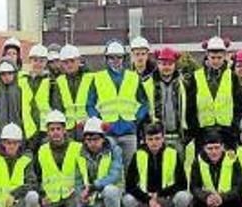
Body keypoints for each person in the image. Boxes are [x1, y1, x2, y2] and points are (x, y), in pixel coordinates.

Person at [88, 40, 149, 168]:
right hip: (108, 132)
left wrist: (136, 119)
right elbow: (90, 104)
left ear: (124, 58)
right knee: (108, 168)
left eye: (119, 57)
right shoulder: (98, 78)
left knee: (131, 169)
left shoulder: (134, 77)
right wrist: (99, 122)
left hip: (129, 131)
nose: (115, 60)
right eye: (112, 57)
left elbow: (144, 103)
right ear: (106, 59)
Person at [185, 36, 242, 149]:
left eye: (219, 57)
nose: (216, 61)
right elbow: (190, 106)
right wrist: (194, 129)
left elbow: (239, 105)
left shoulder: (232, 76)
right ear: (207, 56)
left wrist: (235, 127)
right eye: (213, 57)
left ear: (225, 56)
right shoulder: (196, 76)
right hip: (202, 131)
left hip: (227, 131)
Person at [123, 123, 190, 207]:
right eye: (150, 139)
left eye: (157, 138)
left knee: (183, 196)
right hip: (144, 198)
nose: (154, 142)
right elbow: (129, 185)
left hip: (166, 196)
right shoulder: (138, 155)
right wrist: (148, 199)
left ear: (163, 139)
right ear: (145, 140)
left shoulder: (172, 154)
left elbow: (182, 183)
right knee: (128, 199)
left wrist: (159, 195)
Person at [142, 48, 187, 154]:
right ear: (158, 64)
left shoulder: (184, 84)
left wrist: (187, 134)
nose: (167, 67)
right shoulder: (146, 84)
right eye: (163, 64)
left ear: (175, 65)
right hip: (155, 137)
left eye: (170, 64)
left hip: (178, 137)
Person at [34, 110, 82, 207]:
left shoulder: (78, 148)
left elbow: (85, 175)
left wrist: (78, 190)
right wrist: (42, 196)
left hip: (73, 198)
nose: (55, 132)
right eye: (52, 129)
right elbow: (36, 177)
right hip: (50, 199)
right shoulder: (42, 151)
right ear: (47, 132)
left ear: (64, 130)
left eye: (58, 129)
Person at [0, 123, 40, 207]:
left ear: (20, 144)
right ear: (3, 143)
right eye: (8, 143)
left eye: (15, 143)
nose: (11, 146)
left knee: (33, 196)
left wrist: (14, 194)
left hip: (19, 204)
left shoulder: (25, 161)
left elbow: (32, 184)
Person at [76, 117, 124, 207]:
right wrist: (81, 193)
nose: (92, 143)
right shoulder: (79, 153)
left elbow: (114, 176)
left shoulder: (114, 150)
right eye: (88, 140)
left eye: (96, 139)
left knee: (110, 191)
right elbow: (78, 179)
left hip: (109, 190)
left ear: (103, 138)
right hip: (89, 192)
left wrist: (93, 186)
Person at [189, 130, 242, 207]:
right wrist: (206, 197)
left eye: (217, 148)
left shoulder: (232, 160)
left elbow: (238, 187)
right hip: (207, 201)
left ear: (223, 147)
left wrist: (222, 197)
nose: (214, 152)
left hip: (228, 200)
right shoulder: (198, 161)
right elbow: (194, 187)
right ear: (204, 148)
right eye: (210, 148)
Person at [0, 59, 39, 148]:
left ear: (15, 73)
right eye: (3, 74)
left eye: (10, 73)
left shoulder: (23, 89)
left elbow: (33, 111)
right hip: (1, 135)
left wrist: (33, 133)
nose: (6, 77)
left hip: (22, 133)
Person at [19, 44, 58, 144]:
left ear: (46, 63)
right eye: (35, 60)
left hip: (44, 130)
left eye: (41, 61)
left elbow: (55, 106)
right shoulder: (21, 80)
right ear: (30, 61)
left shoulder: (51, 82)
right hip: (25, 127)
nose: (38, 64)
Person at [56, 45, 94, 138]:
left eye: (72, 61)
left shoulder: (91, 78)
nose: (69, 65)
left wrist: (91, 119)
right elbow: (57, 105)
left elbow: (96, 102)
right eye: (66, 62)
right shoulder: (59, 81)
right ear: (61, 64)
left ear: (79, 60)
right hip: (67, 128)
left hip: (87, 126)